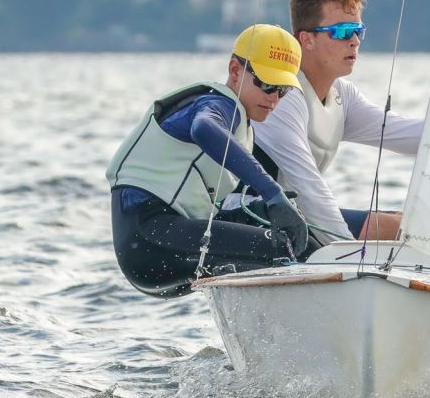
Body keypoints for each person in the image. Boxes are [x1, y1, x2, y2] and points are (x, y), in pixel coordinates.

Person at [106, 24, 310, 298]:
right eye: (266, 84)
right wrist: (272, 194)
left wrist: (254, 213)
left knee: (282, 237)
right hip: (150, 238)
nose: (273, 98)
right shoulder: (218, 105)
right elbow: (203, 129)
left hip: (154, 246)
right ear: (235, 70)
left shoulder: (241, 122)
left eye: (282, 90)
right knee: (280, 247)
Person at [250, 0, 423, 243]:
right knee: (395, 229)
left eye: (358, 31)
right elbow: (308, 188)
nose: (353, 41)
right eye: (342, 32)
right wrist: (343, 255)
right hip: (248, 216)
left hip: (294, 217)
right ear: (306, 40)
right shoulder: (282, 96)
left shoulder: (344, 96)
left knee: (413, 225)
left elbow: (413, 136)